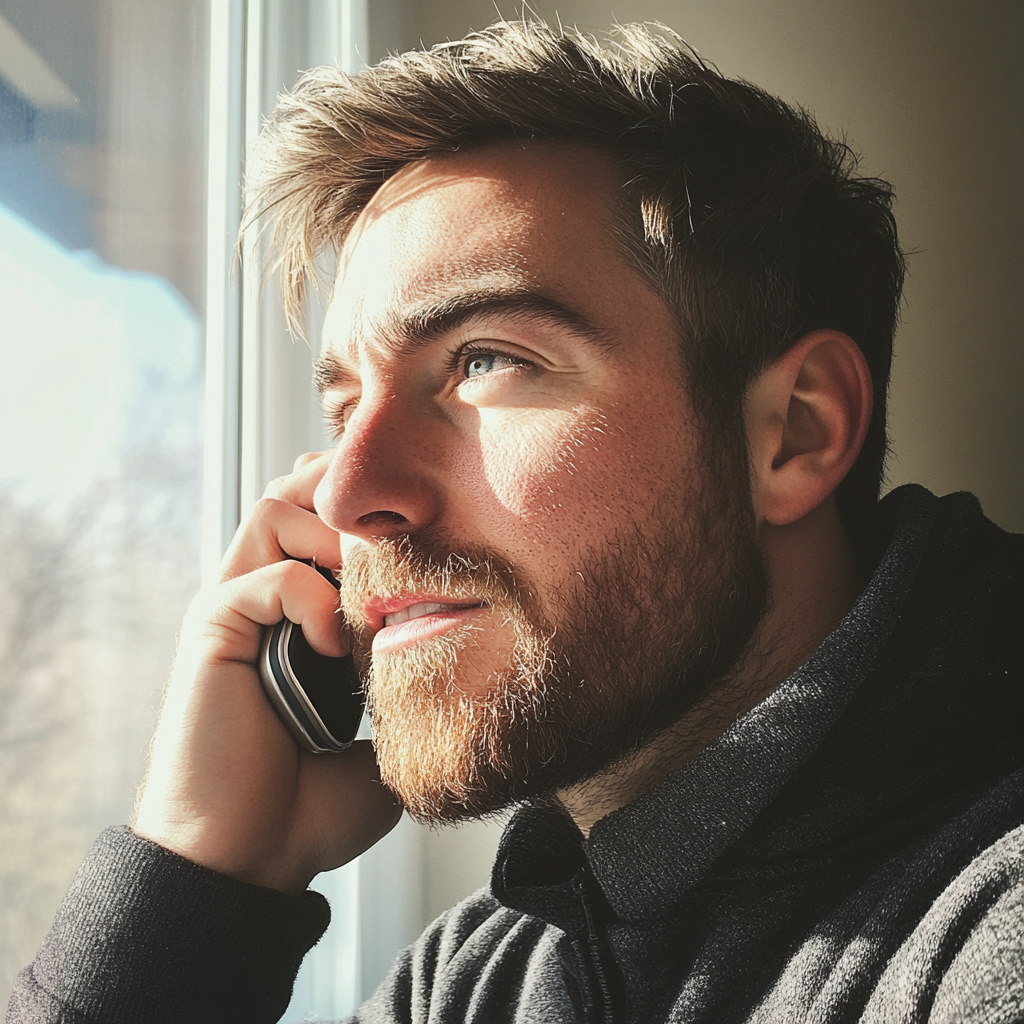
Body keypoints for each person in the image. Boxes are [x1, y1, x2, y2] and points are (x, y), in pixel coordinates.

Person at [7, 19, 1023, 1024]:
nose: (344, 494)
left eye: (484, 359)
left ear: (794, 432)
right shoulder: (473, 980)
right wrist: (200, 875)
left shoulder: (991, 928)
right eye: (344, 405)